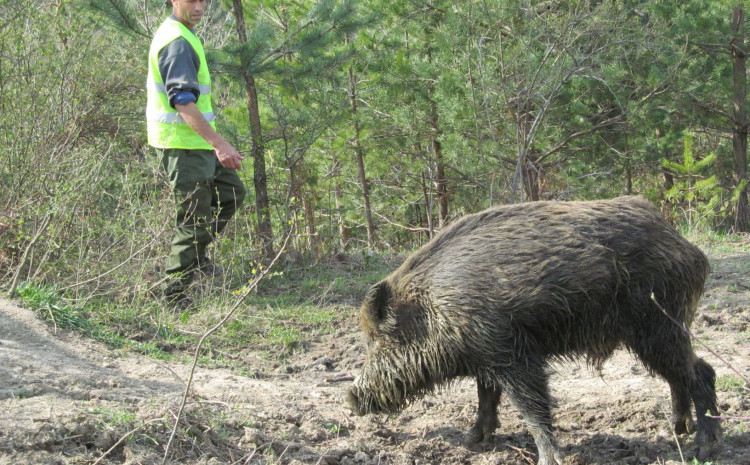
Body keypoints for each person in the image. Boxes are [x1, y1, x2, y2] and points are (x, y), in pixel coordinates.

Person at [147, 0, 246, 309]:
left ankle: (197, 258)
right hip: (183, 146)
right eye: (192, 0)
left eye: (204, 0)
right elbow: (183, 102)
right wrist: (220, 143)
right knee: (193, 220)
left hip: (197, 144)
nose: (200, 5)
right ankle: (174, 297)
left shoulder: (184, 33)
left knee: (231, 193)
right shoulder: (176, 41)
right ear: (175, 1)